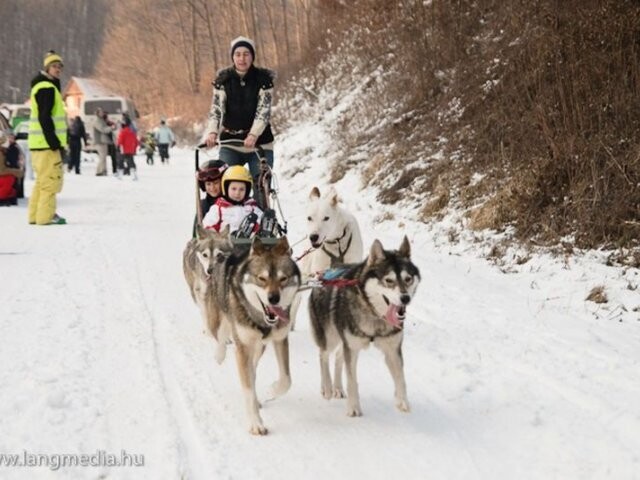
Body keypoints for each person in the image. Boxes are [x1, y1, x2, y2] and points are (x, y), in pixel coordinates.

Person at [204, 36, 275, 199]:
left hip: (260, 144)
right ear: (232, 57)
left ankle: (261, 219)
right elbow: (216, 110)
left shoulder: (263, 80)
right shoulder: (223, 80)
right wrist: (212, 132)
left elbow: (263, 111)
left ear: (252, 56)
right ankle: (226, 220)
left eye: (246, 54)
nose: (242, 58)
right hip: (231, 142)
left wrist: (253, 134)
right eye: (238, 54)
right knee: (228, 187)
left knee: (260, 188)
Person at [27, 50, 67, 225]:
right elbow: (45, 117)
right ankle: (46, 216)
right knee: (50, 182)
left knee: (41, 182)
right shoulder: (47, 88)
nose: (58, 69)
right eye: (54, 66)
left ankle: (35, 215)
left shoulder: (43, 86)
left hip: (38, 144)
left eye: (60, 67)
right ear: (47, 68)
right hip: (46, 145)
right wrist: (54, 143)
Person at [202, 165, 262, 235]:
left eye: (242, 189)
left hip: (249, 241)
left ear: (247, 191)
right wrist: (212, 232)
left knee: (255, 220)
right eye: (233, 189)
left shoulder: (252, 207)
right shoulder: (219, 208)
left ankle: (245, 234)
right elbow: (208, 223)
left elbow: (260, 219)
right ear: (226, 189)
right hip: (226, 241)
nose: (237, 193)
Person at [192, 159, 227, 237]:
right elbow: (196, 234)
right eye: (208, 184)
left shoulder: (231, 200)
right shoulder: (203, 206)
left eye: (216, 183)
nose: (212, 187)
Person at [92, 108, 114, 176]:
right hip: (100, 141)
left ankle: (104, 170)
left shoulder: (101, 120)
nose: (103, 113)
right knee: (102, 157)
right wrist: (111, 128)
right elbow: (103, 129)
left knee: (103, 157)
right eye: (101, 112)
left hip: (103, 141)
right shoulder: (97, 121)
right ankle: (100, 171)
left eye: (103, 112)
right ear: (98, 113)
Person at [4, 129, 25, 198]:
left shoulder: (15, 147)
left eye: (12, 137)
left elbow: (19, 159)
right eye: (9, 137)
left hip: (14, 167)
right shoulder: (5, 147)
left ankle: (16, 193)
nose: (10, 139)